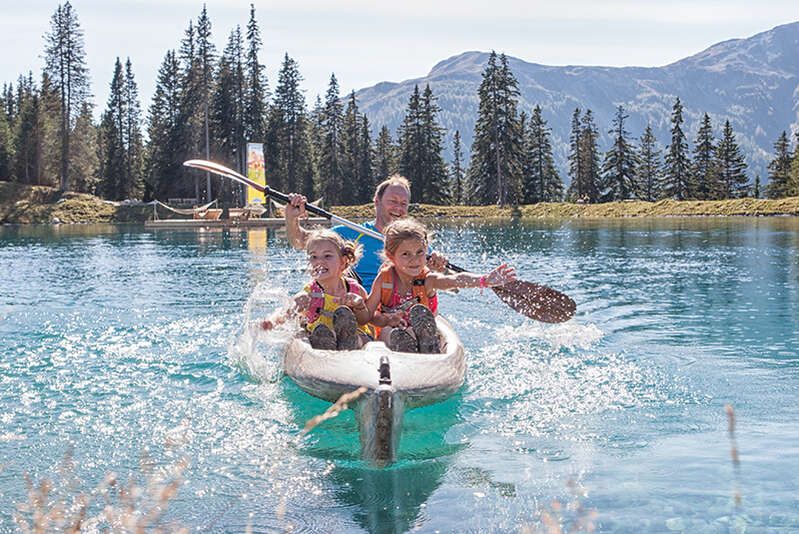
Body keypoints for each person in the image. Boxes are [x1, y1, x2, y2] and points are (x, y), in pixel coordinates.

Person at [364, 219, 517, 353]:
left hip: (424, 331)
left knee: (415, 330)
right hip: (395, 332)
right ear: (391, 256)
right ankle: (407, 347)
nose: (415, 259)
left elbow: (455, 280)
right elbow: (369, 316)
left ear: (426, 252)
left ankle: (427, 344)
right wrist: (386, 319)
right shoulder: (384, 280)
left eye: (420, 252)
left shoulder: (428, 280)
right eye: (406, 254)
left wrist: (484, 280)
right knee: (387, 332)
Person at [284, 174, 447, 291]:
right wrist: (292, 218)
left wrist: (437, 268)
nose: (398, 208)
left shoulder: (415, 244)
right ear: (376, 202)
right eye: (392, 201)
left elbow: (446, 283)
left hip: (399, 306)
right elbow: (300, 240)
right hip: (359, 306)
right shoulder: (352, 232)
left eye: (404, 203)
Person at [260, 228, 373, 350]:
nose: (319, 261)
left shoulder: (355, 289)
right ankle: (325, 343)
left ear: (343, 261)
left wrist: (359, 305)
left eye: (327, 256)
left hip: (354, 336)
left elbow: (365, 320)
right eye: (314, 257)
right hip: (322, 336)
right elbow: (287, 312)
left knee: (363, 338)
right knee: (318, 333)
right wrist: (272, 322)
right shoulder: (310, 294)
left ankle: (350, 342)